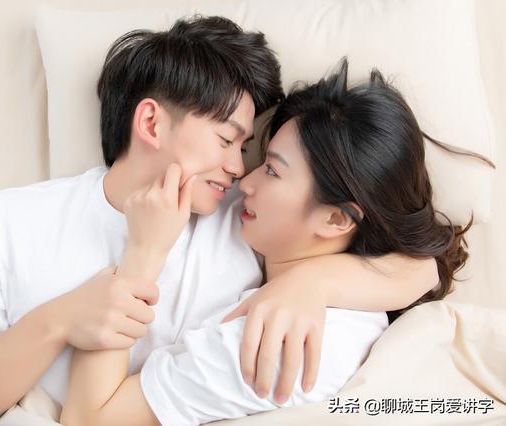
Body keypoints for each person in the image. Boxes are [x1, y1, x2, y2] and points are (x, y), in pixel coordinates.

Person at [0, 17, 437, 426]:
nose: (240, 170)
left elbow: (420, 267)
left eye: (248, 150)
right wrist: (59, 321)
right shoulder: (15, 218)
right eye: (226, 140)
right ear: (151, 122)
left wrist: (311, 283)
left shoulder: (245, 217)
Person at [59, 58, 474, 426]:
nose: (244, 179)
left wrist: (140, 257)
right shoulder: (323, 277)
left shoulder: (270, 345)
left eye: (272, 171)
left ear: (336, 218)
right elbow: (424, 265)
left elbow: (89, 418)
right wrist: (312, 281)